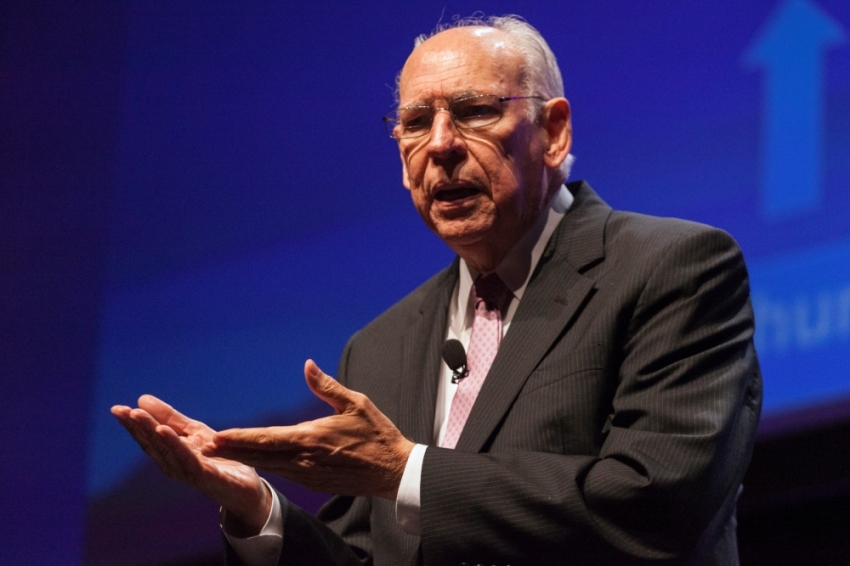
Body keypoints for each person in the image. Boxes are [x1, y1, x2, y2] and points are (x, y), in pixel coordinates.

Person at [112, 15, 762, 566]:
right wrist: (254, 505)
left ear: (555, 132)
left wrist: (407, 471)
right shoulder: (382, 346)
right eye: (416, 123)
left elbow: (658, 507)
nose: (441, 145)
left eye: (474, 112)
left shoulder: (672, 268)